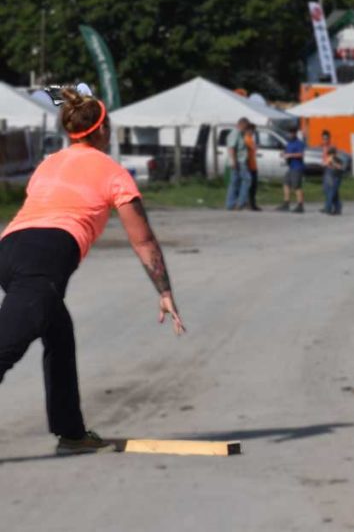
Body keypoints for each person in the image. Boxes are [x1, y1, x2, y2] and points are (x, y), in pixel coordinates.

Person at [0, 88, 185, 454]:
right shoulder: (114, 173)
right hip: (45, 260)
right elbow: (143, 241)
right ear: (102, 130)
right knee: (4, 349)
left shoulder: (49, 164)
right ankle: (70, 433)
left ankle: (70, 432)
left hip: (9, 249)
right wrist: (164, 293)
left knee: (59, 334)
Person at [225, 117, 252, 210]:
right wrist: (233, 161)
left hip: (240, 161)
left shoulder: (240, 134)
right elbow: (232, 148)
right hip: (238, 161)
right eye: (246, 126)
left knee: (235, 182)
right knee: (247, 180)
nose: (247, 128)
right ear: (242, 124)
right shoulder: (235, 133)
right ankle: (239, 202)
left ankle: (232, 204)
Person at [277, 127, 305, 213]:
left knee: (297, 186)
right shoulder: (289, 143)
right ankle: (286, 203)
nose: (291, 134)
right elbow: (286, 152)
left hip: (297, 167)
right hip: (290, 167)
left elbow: (301, 154)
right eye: (290, 133)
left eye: (292, 133)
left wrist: (290, 155)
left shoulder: (299, 143)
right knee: (286, 183)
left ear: (295, 133)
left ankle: (300, 205)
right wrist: (283, 154)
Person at [323, 146, 348, 216]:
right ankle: (338, 208)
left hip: (336, 178)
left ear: (334, 154)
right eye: (329, 154)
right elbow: (324, 165)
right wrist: (327, 163)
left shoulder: (339, 160)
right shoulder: (328, 159)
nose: (330, 155)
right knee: (330, 192)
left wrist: (333, 162)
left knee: (331, 193)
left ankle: (328, 208)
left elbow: (341, 167)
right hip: (329, 177)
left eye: (331, 154)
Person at [244, 122, 260, 211]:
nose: (253, 132)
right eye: (252, 130)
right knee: (252, 186)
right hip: (250, 165)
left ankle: (251, 203)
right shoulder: (247, 139)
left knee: (253, 186)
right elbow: (254, 148)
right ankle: (251, 204)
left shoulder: (250, 139)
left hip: (253, 164)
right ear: (248, 130)